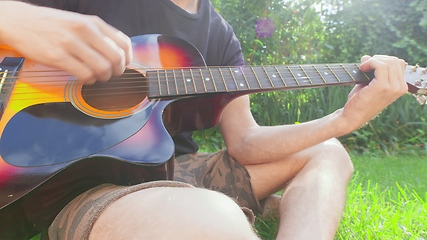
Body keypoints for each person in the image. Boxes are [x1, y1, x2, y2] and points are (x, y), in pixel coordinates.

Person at [0, 0, 408, 239]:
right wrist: (12, 16)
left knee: (327, 152)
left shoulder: (220, 35)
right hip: (79, 180)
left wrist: (342, 119)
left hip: (174, 168)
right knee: (211, 220)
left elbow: (245, 142)